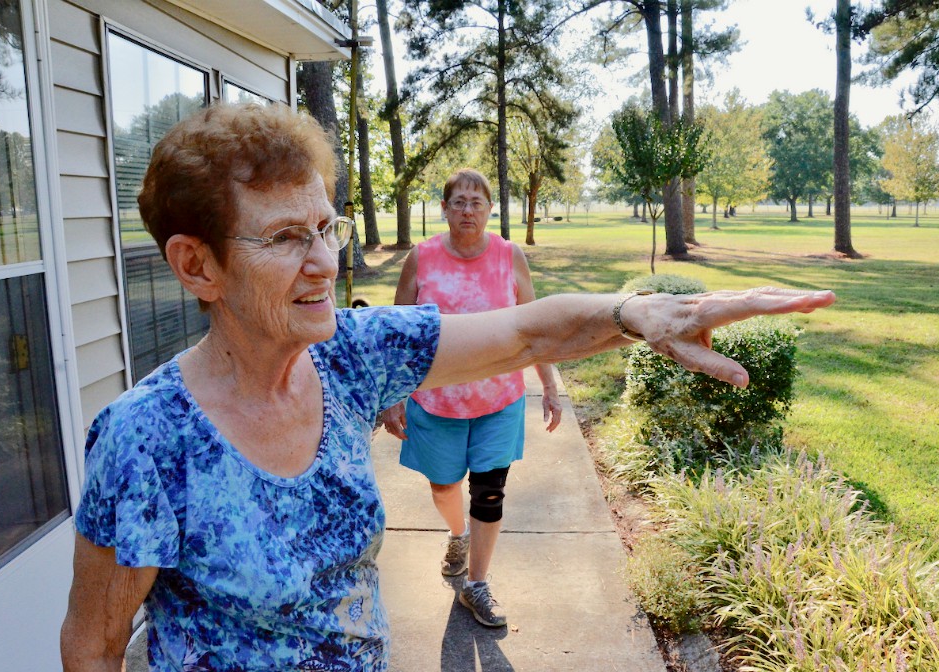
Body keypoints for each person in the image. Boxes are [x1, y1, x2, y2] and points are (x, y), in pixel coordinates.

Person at [60, 102, 836, 672]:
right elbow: (93, 648)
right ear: (197, 266)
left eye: (327, 228)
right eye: (287, 238)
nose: (326, 264)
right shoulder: (146, 440)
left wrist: (637, 312)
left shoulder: (348, 356)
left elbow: (527, 330)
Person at [378, 168, 561, 628]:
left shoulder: (509, 256)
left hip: (499, 399)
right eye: (458, 202)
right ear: (444, 208)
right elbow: (399, 335)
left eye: (476, 202)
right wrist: (392, 397)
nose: (467, 210)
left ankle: (477, 584)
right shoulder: (422, 259)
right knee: (443, 487)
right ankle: (456, 534)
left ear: (490, 209)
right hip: (437, 403)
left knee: (490, 491)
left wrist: (550, 386)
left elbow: (535, 328)